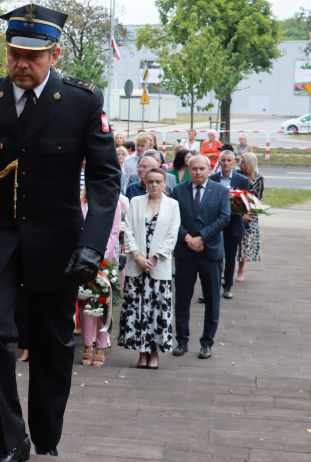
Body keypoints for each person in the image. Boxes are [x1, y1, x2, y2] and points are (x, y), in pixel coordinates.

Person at [0, 3, 121, 462]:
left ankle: (45, 432)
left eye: (33, 56)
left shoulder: (83, 102)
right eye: (14, 53)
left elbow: (105, 180)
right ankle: (11, 436)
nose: (21, 64)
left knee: (52, 345)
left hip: (58, 242)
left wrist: (92, 243)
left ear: (54, 55)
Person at [119, 168, 181, 369]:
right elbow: (127, 231)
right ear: (144, 183)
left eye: (158, 181)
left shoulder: (172, 205)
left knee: (157, 311)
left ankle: (154, 353)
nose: (154, 185)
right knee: (137, 311)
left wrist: (153, 258)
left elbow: (172, 235)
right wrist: (137, 257)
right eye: (150, 181)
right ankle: (142, 352)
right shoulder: (136, 202)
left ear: (164, 183)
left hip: (158, 266)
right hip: (137, 265)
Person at [170, 155, 230, 359]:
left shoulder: (221, 190)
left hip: (210, 252)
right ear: (189, 169)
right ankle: (182, 340)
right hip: (185, 252)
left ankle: (207, 343)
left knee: (212, 299)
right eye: (194, 169)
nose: (198, 172)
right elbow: (173, 218)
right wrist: (187, 237)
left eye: (202, 169)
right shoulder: (178, 190)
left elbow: (224, 217)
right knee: (182, 299)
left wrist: (202, 237)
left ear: (209, 169)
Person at [80, 192, 129, 367]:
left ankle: (101, 347)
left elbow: (114, 231)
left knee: (103, 302)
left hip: (105, 258)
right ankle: (87, 345)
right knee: (86, 301)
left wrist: (101, 256)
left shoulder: (112, 201)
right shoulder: (82, 200)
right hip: (84, 257)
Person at [211, 150, 249, 299]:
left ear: (234, 163)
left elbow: (246, 202)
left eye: (229, 160)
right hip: (216, 223)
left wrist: (237, 210)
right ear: (219, 162)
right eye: (223, 160)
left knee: (231, 256)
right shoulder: (212, 179)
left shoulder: (242, 180)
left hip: (233, 224)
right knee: (214, 256)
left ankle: (227, 286)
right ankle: (212, 287)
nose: (226, 163)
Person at [236, 152, 264, 282]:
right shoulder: (237, 174)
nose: (240, 164)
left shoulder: (259, 179)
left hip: (249, 216)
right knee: (231, 242)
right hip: (236, 212)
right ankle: (225, 267)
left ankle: (240, 270)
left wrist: (249, 214)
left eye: (242, 162)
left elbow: (258, 199)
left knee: (245, 244)